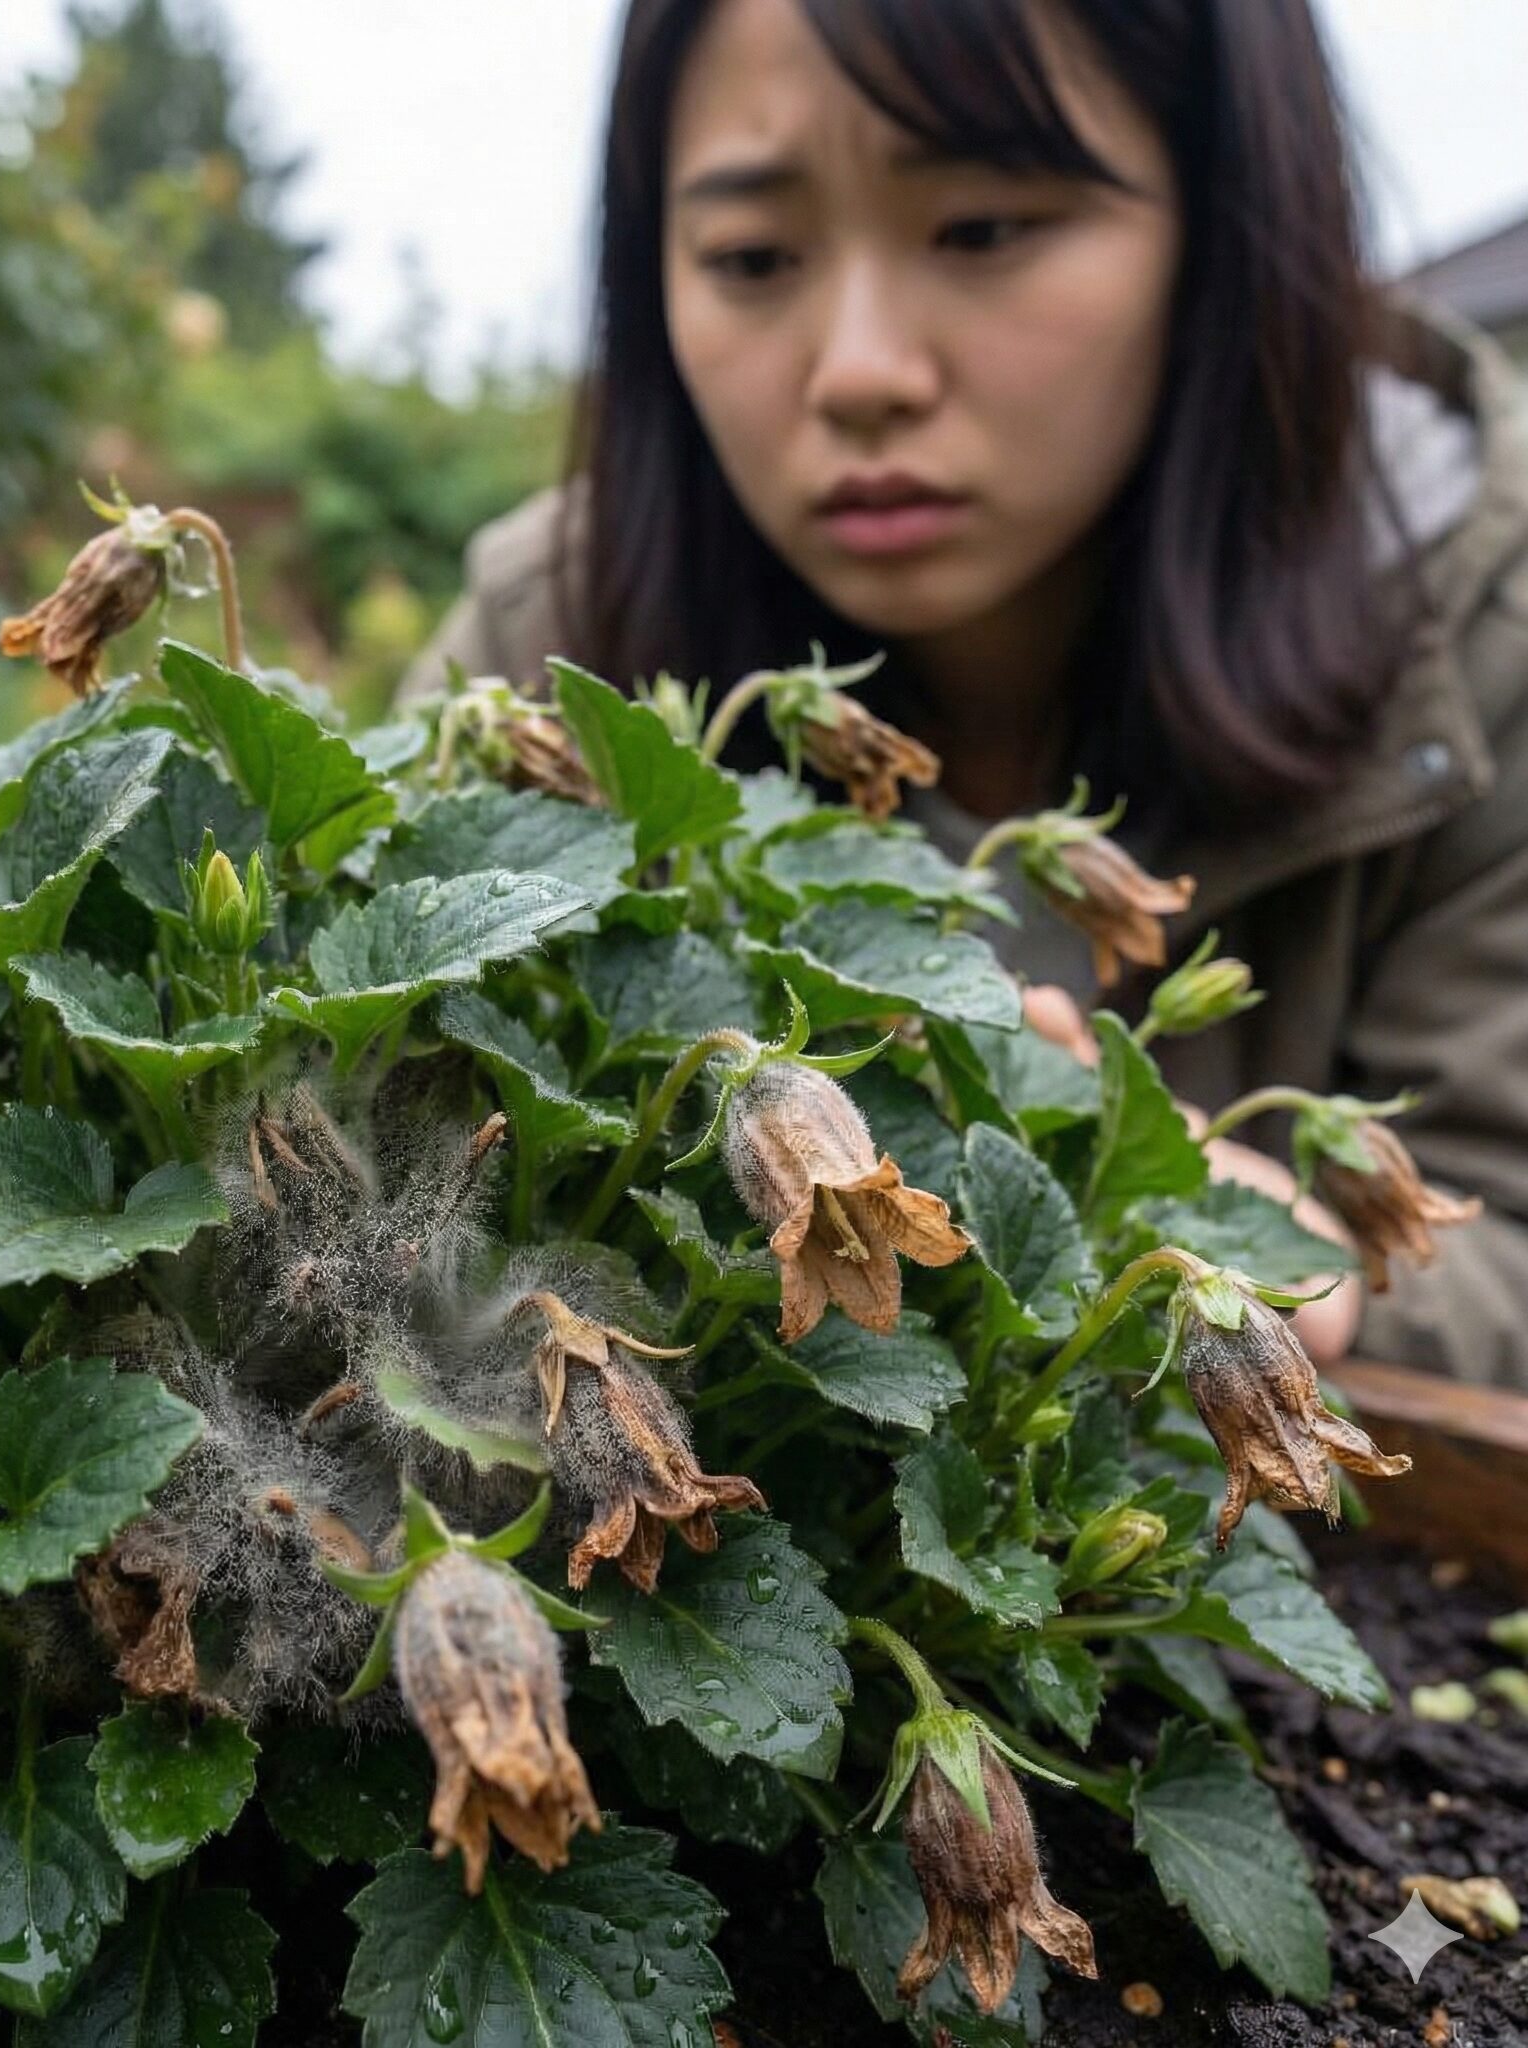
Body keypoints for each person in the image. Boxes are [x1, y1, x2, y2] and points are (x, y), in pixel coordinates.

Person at [393, 0, 1528, 1390]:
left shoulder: (1486, 635)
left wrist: (1263, 1245)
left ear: (1222, 224)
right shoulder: (549, 644)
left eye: (983, 228)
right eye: (751, 256)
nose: (862, 370)